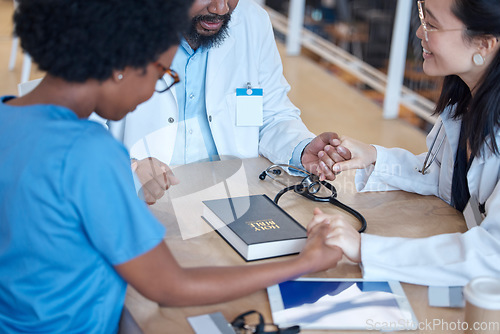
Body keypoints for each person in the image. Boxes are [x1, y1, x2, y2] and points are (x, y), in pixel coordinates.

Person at [0, 0, 343, 332]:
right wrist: (305, 262)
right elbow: (168, 286)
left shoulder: (8, 116)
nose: (153, 92)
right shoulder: (90, 154)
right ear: (123, 64)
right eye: (163, 74)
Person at [313, 0, 500, 287]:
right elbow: (449, 178)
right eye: (422, 18)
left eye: (432, 25)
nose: (418, 32)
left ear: (484, 44)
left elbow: (492, 255)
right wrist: (374, 155)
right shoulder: (469, 102)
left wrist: (366, 249)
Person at [104, 0, 346, 204]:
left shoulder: (253, 22)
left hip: (233, 195)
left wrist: (300, 149)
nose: (221, 8)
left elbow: (273, 115)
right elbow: (79, 124)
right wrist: (130, 167)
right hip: (142, 197)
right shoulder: (115, 22)